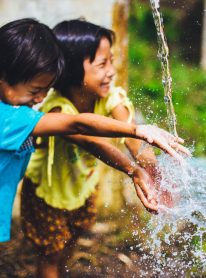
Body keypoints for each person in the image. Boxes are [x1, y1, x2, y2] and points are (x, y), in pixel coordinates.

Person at [20, 19, 189, 278]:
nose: (111, 70)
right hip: (47, 192)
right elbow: (91, 140)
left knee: (73, 237)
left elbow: (131, 135)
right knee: (50, 253)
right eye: (102, 64)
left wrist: (153, 170)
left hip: (84, 186)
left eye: (111, 60)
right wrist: (132, 170)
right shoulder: (56, 107)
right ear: (72, 70)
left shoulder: (110, 97)